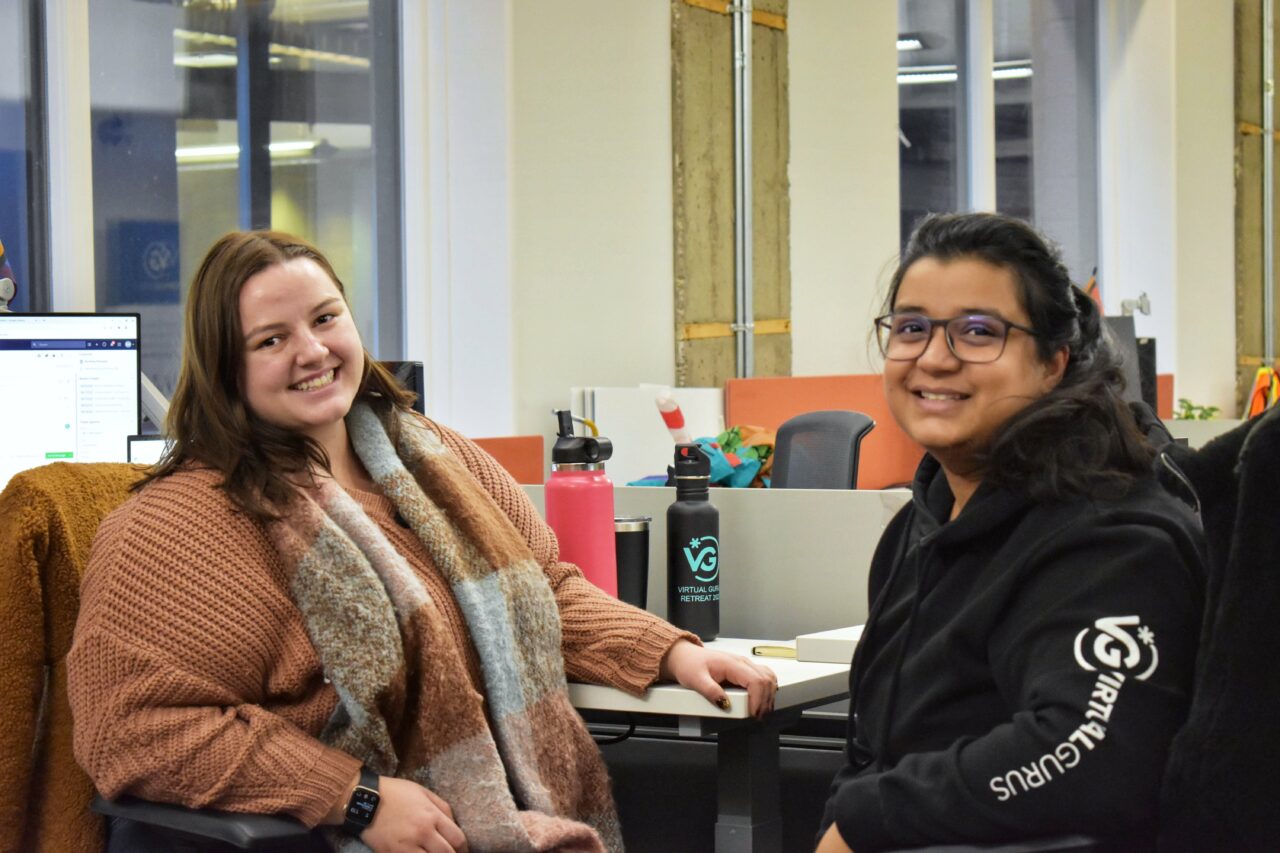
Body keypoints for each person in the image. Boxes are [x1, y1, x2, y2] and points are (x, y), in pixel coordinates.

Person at [68, 231, 777, 853]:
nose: (312, 351)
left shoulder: (434, 459)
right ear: (228, 369)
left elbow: (545, 589)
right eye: (271, 339)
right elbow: (132, 730)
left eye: (325, 318)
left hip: (471, 821)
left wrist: (669, 650)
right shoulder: (178, 524)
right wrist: (355, 796)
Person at [815, 213, 1205, 852]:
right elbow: (879, 747)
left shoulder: (1115, 537)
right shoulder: (922, 525)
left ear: (1053, 364)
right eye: (911, 327)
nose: (935, 359)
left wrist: (865, 818)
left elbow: (1090, 760)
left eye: (978, 332)